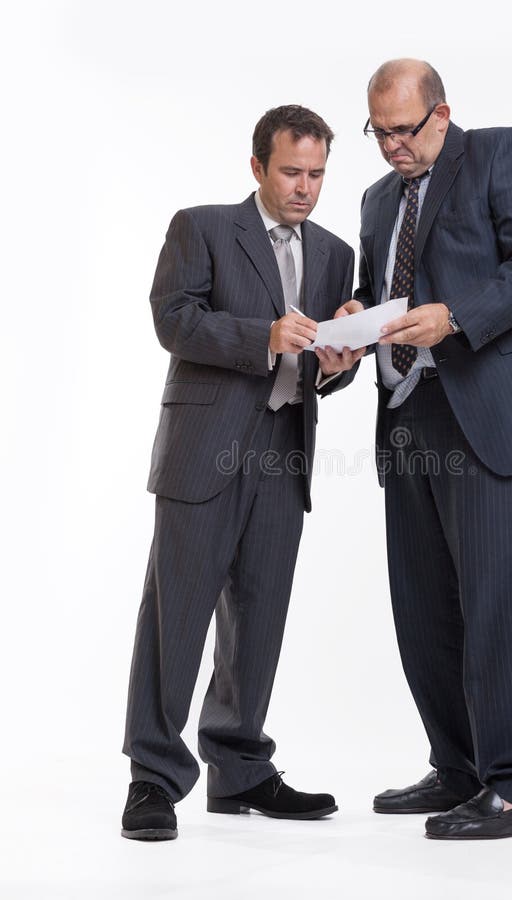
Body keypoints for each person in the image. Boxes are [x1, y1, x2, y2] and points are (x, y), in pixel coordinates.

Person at [340, 59, 512, 840]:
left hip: (491, 412)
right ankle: (458, 769)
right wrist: (350, 324)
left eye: (404, 131)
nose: (391, 147)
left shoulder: (499, 154)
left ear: (442, 115)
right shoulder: (378, 200)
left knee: (500, 605)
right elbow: (383, 297)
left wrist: (455, 316)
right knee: (425, 609)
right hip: (408, 416)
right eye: (378, 133)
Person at [121, 104, 364, 841]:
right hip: (206, 445)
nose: (304, 187)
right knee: (178, 616)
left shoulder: (332, 253)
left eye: (318, 174)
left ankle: (238, 767)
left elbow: (321, 362)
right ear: (257, 166)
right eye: (291, 171)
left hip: (283, 450)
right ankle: (153, 780)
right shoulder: (200, 227)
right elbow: (174, 318)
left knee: (258, 620)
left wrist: (339, 362)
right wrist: (260, 335)